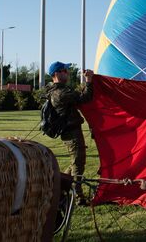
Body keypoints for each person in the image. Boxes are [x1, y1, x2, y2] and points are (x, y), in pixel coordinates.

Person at [45, 61, 94, 205]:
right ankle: (78, 197)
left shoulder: (56, 90)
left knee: (75, 162)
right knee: (78, 164)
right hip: (71, 133)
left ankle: (60, 188)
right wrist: (89, 81)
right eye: (65, 71)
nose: (67, 72)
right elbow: (85, 98)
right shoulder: (61, 93)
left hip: (70, 131)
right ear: (57, 74)